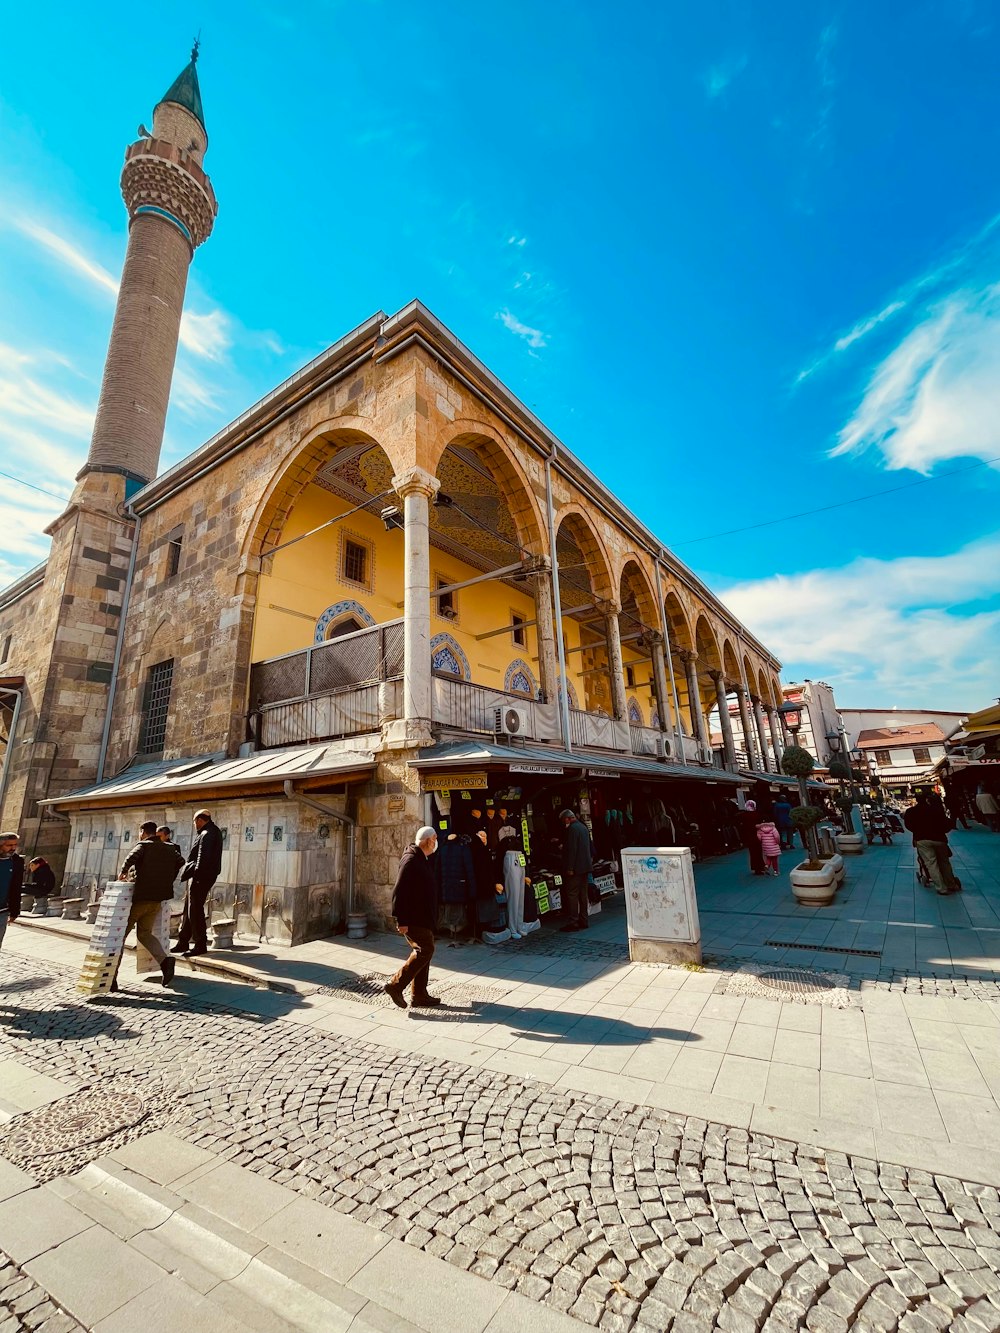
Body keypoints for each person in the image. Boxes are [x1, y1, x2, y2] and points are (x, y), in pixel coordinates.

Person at [113, 820, 185, 990]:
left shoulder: (143, 845)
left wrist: (123, 872)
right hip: (157, 900)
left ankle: (111, 977)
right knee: (144, 933)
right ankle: (165, 961)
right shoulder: (169, 848)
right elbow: (181, 861)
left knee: (119, 936)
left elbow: (131, 858)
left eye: (140, 833)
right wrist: (168, 878)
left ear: (144, 832)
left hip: (141, 898)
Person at [386, 826, 441, 1009]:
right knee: (424, 950)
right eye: (434, 838)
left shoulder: (421, 858)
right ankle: (396, 985)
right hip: (414, 918)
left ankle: (419, 995)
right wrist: (401, 919)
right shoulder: (411, 859)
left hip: (423, 917)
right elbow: (399, 891)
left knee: (424, 951)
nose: (436, 842)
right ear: (427, 840)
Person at [172, 809, 223, 957]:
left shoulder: (207, 834)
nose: (194, 824)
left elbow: (202, 858)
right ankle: (183, 942)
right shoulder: (211, 831)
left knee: (195, 910)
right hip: (202, 875)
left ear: (200, 820)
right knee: (190, 909)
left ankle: (200, 943)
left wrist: (197, 876)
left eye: (194, 821)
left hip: (201, 876)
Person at [904, 792, 961, 895]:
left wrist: (917, 831)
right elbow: (946, 824)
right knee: (944, 862)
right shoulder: (936, 810)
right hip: (939, 839)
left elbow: (908, 825)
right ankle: (951, 884)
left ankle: (941, 888)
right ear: (927, 799)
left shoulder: (911, 811)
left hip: (922, 840)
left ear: (916, 800)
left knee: (931, 864)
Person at [560, 809, 592, 933]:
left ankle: (573, 922)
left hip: (576, 868)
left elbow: (572, 850)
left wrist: (570, 868)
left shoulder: (572, 829)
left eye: (564, 820)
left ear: (568, 818)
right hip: (585, 866)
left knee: (572, 894)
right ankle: (584, 920)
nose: (564, 822)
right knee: (583, 894)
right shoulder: (583, 827)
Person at [0, 832, 24, 951]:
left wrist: (15, 911)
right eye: (9, 845)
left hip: (2, 911)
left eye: (15, 845)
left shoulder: (17, 861)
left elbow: (16, 887)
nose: (13, 848)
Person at [740, 800, 766, 876]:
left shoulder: (744, 815)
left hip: (749, 835)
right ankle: (760, 866)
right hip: (757, 834)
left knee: (752, 852)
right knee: (758, 851)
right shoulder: (757, 814)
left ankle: (755, 867)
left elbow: (743, 826)